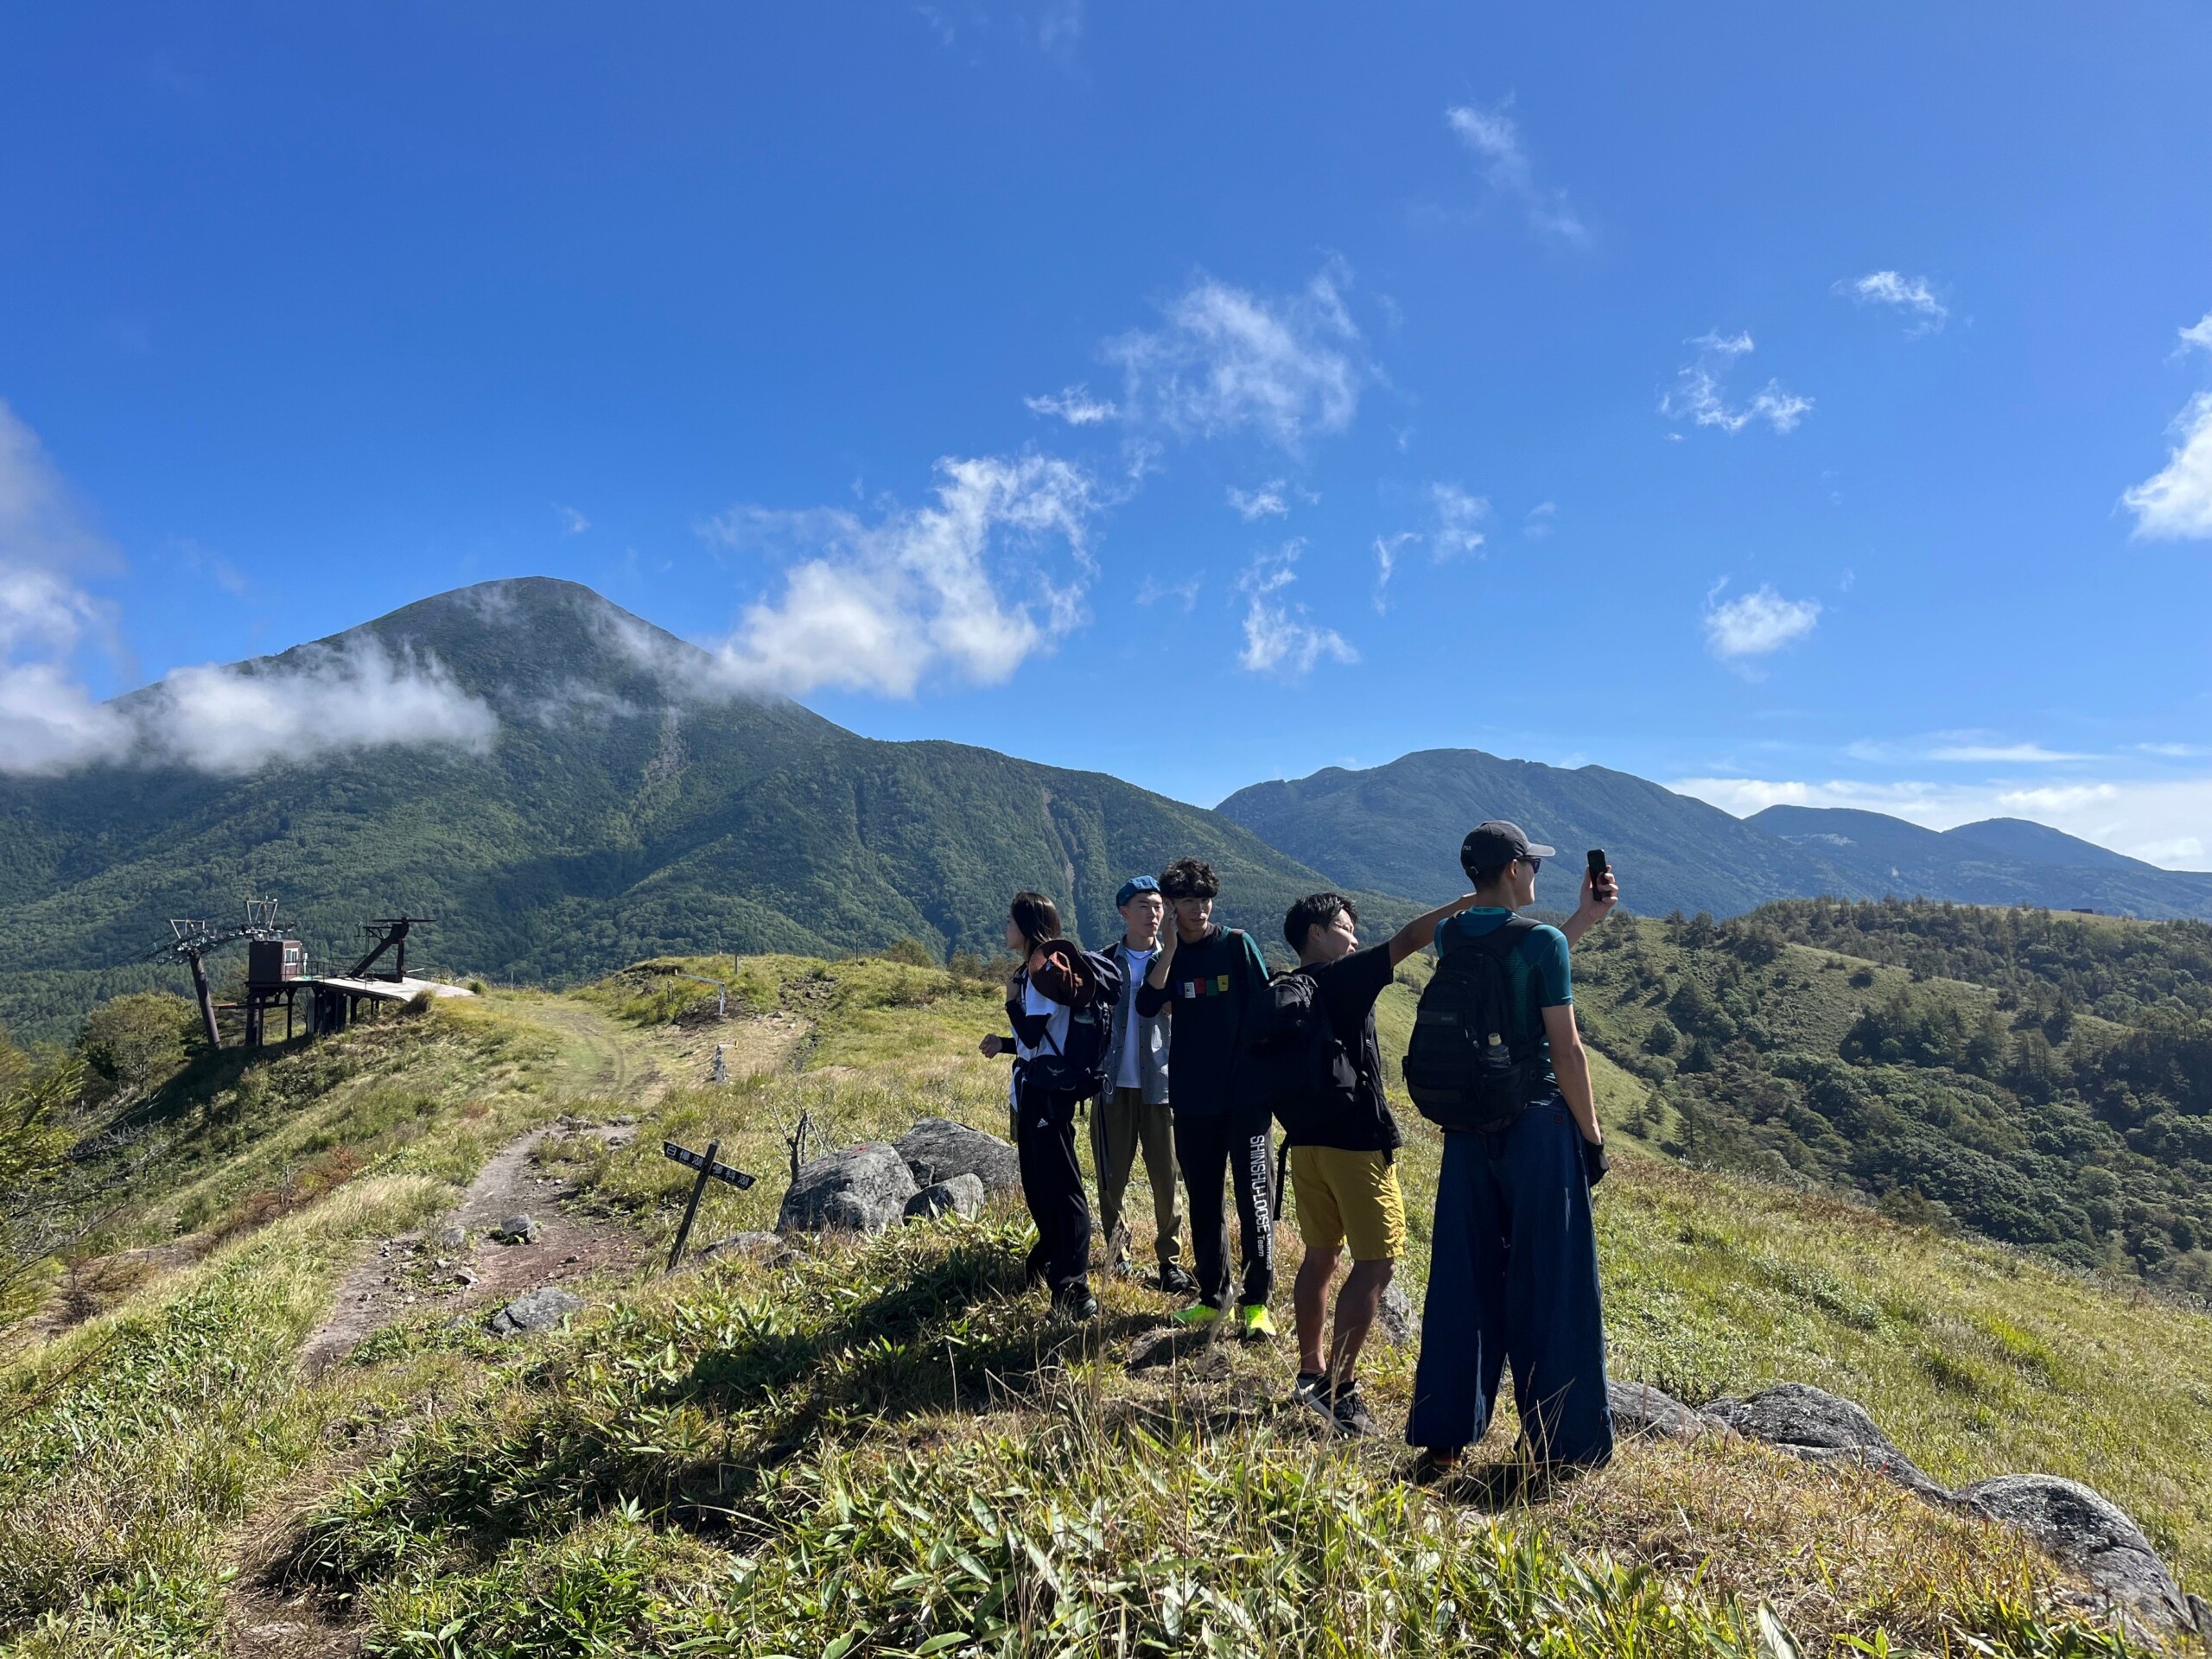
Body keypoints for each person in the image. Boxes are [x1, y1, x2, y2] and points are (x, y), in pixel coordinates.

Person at [1406, 822, 1618, 1479]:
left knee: (1461, 1281)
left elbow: (1507, 963)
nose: (1537, 876)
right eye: (1532, 864)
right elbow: (1566, 1048)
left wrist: (1581, 919)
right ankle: (1565, 1445)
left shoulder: (1450, 937)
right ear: (1513, 869)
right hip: (1537, 1130)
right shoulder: (1542, 943)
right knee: (1552, 1283)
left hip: (1469, 1133)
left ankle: (1444, 1438)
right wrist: (1592, 1136)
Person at [1277, 887, 1492, 1437]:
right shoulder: (1343, 979)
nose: (1354, 937)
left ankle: (1310, 1369)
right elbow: (1409, 941)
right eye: (1346, 927)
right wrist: (1463, 904)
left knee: (1321, 1256)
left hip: (1303, 1143)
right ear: (1318, 934)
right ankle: (1338, 1387)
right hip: (1354, 1143)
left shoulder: (1288, 986)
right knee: (1376, 1263)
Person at [1137, 857, 1277, 1336]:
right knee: (1203, 1200)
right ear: (1171, 907)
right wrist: (1170, 951)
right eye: (1187, 901)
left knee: (1255, 1197)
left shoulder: (1237, 945)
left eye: (1204, 899)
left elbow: (1269, 1008)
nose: (1199, 909)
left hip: (1246, 1099)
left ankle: (1257, 1303)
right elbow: (1146, 1004)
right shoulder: (1169, 958)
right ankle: (1213, 1296)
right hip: (1193, 1097)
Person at [979, 890, 1114, 1321]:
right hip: (1042, 1084)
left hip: (1046, 1091)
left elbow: (1035, 1035)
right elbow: (1034, 1039)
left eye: (1010, 920)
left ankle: (1073, 1289)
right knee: (1040, 1183)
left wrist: (1009, 996)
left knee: (1062, 1186)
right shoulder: (1045, 966)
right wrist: (1002, 1044)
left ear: (1026, 925)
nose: (1005, 928)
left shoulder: (1040, 969)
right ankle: (1048, 1262)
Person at [1092, 876, 1196, 1294]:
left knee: (1166, 1178)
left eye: (1158, 906)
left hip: (1162, 1084)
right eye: (1143, 906)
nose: (1154, 914)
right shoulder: (1101, 962)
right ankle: (1117, 1255)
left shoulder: (1176, 960)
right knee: (1110, 1177)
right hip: (1112, 1084)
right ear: (1123, 912)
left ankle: (1169, 1261)